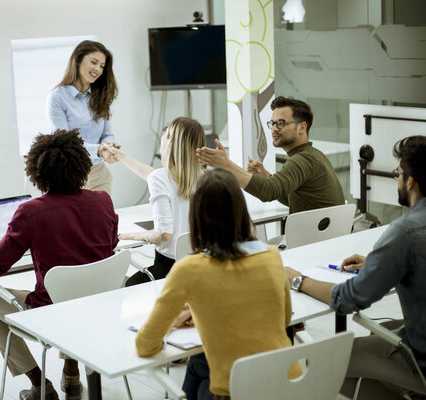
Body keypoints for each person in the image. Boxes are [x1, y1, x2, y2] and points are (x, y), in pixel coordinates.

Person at [0, 130, 119, 400]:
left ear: (37, 172)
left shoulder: (30, 212)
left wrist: (10, 238)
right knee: (76, 292)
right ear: (82, 165)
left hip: (50, 314)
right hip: (97, 309)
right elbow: (110, 248)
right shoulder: (103, 201)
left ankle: (39, 384)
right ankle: (72, 374)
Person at [135, 168, 300, 399]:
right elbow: (284, 319)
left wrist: (178, 318)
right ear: (242, 212)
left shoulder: (189, 269)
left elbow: (145, 344)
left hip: (238, 390)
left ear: (196, 217)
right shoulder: (271, 256)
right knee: (198, 363)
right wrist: (204, 311)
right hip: (288, 383)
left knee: (197, 365)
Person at [285, 135, 426, 399]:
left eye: (397, 173)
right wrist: (379, 264)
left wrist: (298, 280)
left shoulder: (405, 232)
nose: (396, 179)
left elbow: (348, 299)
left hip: (419, 358)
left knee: (324, 361)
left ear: (410, 180)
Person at [196, 96, 345, 214]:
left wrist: (225, 164)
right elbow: (291, 198)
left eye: (281, 123)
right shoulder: (313, 155)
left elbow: (268, 192)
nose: (274, 129)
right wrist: (266, 175)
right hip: (327, 238)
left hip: (314, 241)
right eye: (272, 123)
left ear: (302, 127)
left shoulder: (301, 159)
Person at [112, 117, 205, 286]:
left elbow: (163, 234)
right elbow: (152, 175)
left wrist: (131, 236)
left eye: (167, 134)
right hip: (201, 268)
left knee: (128, 285)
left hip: (169, 272)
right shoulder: (206, 177)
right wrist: (120, 155)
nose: (162, 137)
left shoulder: (160, 178)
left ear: (173, 145)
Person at [47, 40, 120, 194]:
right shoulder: (57, 98)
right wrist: (99, 150)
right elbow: (64, 143)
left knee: (104, 218)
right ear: (78, 60)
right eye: (93, 62)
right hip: (72, 175)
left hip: (100, 174)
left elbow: (107, 133)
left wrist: (108, 148)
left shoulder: (101, 96)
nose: (98, 69)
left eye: (102, 66)